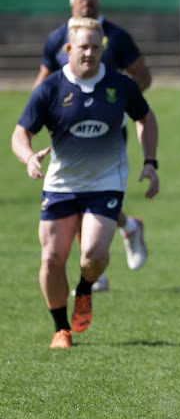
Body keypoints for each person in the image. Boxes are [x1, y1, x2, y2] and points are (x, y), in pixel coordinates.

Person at [11, 18, 159, 349]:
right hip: (61, 183)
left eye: (96, 46)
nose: (90, 53)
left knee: (91, 254)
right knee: (51, 258)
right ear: (68, 50)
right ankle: (61, 329)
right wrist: (29, 157)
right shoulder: (50, 88)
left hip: (107, 181)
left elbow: (146, 118)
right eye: (83, 47)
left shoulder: (120, 85)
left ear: (102, 48)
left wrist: (150, 163)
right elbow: (21, 133)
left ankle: (85, 287)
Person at [33, 0, 151, 291]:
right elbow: (43, 81)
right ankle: (128, 227)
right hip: (67, 127)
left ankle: (93, 272)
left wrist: (119, 102)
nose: (87, 0)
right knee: (76, 195)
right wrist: (39, 111)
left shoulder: (117, 36)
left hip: (107, 128)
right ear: (72, 0)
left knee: (95, 190)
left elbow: (142, 75)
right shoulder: (58, 38)